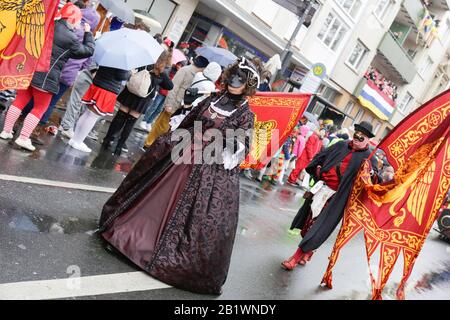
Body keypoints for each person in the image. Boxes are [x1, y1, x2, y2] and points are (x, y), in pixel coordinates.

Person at [98, 57, 262, 294]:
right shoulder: (213, 98)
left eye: (241, 79)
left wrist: (228, 141)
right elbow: (188, 121)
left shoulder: (246, 114)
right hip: (183, 153)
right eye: (233, 76)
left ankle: (161, 254)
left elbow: (242, 146)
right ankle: (127, 237)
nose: (235, 82)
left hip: (209, 166)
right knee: (155, 195)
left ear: (248, 85)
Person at [282, 121, 377, 269]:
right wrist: (318, 170)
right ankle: (308, 252)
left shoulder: (370, 158)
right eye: (356, 134)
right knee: (308, 224)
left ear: (368, 139)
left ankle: (295, 258)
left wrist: (370, 173)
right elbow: (320, 156)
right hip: (321, 190)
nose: (357, 138)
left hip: (337, 199)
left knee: (318, 228)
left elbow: (375, 182)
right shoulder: (341, 145)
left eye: (362, 137)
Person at [0, 3, 95, 151]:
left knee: (19, 100)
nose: (78, 24)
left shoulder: (47, 25)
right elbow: (87, 51)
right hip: (48, 78)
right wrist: (88, 34)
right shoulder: (71, 38)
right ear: (72, 19)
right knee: (40, 108)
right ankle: (23, 138)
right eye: (77, 21)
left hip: (30, 70)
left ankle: (6, 131)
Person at [101, 50, 174, 156]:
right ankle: (119, 147)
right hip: (143, 99)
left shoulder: (146, 61)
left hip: (130, 92)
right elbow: (169, 86)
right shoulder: (161, 72)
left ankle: (108, 140)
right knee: (130, 123)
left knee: (119, 118)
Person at [142, 55, 209, 148]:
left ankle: (154, 146)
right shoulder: (185, 70)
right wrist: (169, 104)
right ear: (202, 67)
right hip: (173, 104)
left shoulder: (197, 76)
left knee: (166, 129)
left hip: (180, 107)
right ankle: (148, 144)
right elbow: (173, 87)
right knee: (160, 126)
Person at [68, 64, 131, 153]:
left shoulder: (110, 52)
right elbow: (121, 75)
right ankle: (78, 141)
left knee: (87, 114)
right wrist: (130, 73)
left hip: (98, 84)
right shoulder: (123, 59)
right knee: (92, 116)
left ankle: (75, 139)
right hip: (107, 89)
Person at [138, 61, 186, 132]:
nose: (179, 66)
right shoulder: (169, 70)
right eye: (179, 64)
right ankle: (144, 120)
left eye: (181, 66)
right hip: (162, 91)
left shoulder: (181, 74)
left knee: (159, 109)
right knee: (154, 106)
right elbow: (162, 80)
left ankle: (149, 122)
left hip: (170, 94)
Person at [59, 63, 99, 139]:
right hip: (87, 79)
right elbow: (93, 68)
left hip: (87, 78)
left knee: (78, 104)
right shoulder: (103, 57)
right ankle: (66, 127)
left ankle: (65, 125)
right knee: (76, 103)